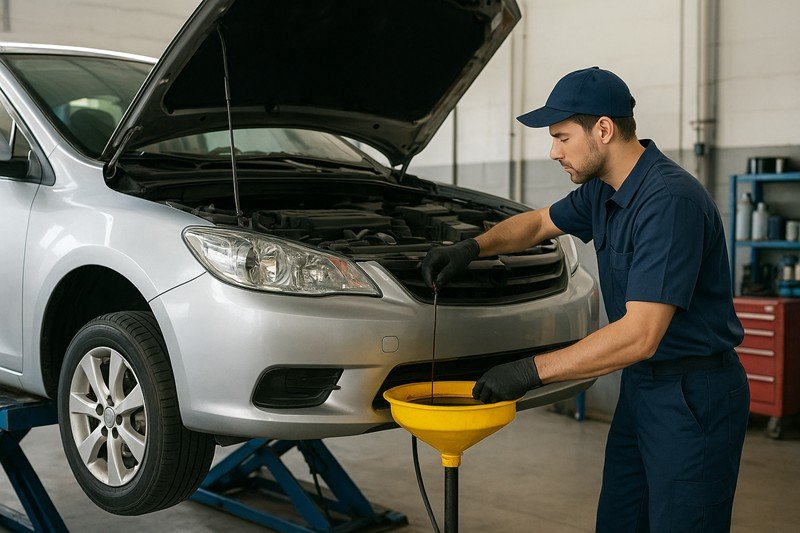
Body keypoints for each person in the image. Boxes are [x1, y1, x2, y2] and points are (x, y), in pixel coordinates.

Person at [421, 66, 749, 532]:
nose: (554, 152)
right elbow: (537, 224)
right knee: (620, 520)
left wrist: (529, 371)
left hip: (692, 394)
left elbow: (640, 336)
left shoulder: (668, 202)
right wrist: (472, 248)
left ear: (604, 129)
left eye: (562, 138)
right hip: (642, 387)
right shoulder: (603, 191)